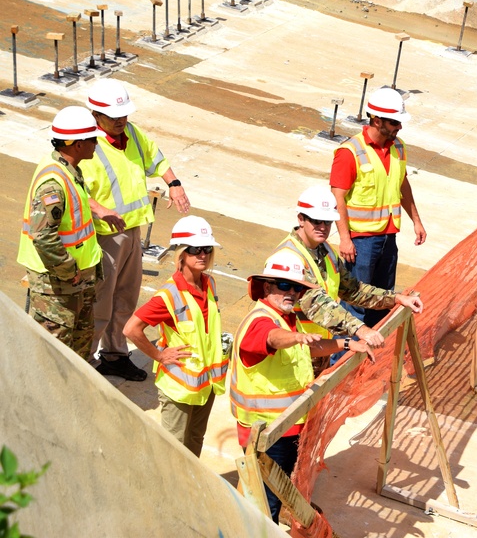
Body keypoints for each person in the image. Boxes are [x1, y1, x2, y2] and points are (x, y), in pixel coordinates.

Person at [229, 249, 374, 523]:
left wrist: (346, 343)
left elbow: (311, 347)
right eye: (285, 286)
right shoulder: (263, 321)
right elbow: (272, 339)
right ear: (268, 287)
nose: (292, 293)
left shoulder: (285, 317)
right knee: (264, 504)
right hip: (268, 434)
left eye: (296, 288)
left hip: (286, 427)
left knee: (274, 495)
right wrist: (294, 337)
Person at [80, 78, 191, 381]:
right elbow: (74, 189)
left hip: (132, 232)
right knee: (101, 302)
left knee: (126, 298)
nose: (121, 121)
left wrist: (175, 184)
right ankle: (85, 363)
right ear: (95, 115)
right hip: (104, 236)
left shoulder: (130, 133)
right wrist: (100, 209)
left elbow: (156, 156)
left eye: (124, 115)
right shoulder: (86, 143)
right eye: (114, 118)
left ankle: (115, 355)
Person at [274, 185, 423, 358]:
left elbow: (353, 289)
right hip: (290, 355)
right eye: (316, 221)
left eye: (328, 222)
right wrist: (360, 329)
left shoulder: (325, 251)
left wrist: (396, 298)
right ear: (301, 219)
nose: (323, 227)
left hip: (316, 350)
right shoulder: (288, 259)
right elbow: (318, 305)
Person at [121, 216, 225, 456]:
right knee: (172, 451)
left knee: (194, 443)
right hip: (179, 389)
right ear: (181, 254)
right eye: (195, 250)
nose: (203, 255)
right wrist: (159, 355)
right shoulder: (169, 294)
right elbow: (131, 329)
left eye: (207, 249)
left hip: (205, 386)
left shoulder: (210, 284)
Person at [330, 86, 426, 327]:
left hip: (387, 239)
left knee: (383, 302)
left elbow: (403, 185)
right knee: (356, 306)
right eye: (394, 122)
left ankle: (372, 362)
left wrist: (416, 221)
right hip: (360, 243)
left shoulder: (399, 147)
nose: (399, 127)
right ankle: (341, 361)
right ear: (376, 119)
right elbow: (337, 198)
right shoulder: (350, 152)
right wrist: (344, 239)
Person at [17, 107, 103, 358]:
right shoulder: (54, 181)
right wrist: (68, 270)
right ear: (76, 144)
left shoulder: (68, 169)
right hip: (57, 286)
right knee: (51, 359)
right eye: (92, 138)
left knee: (76, 358)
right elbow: (43, 235)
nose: (96, 143)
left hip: (74, 283)